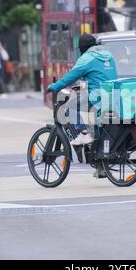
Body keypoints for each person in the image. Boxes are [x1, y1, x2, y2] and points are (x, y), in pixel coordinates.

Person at [47, 34, 118, 177]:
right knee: (96, 124)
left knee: (70, 107)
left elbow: (70, 77)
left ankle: (83, 134)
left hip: (97, 96)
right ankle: (100, 167)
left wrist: (55, 87)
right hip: (114, 96)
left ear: (83, 48)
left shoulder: (86, 58)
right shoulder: (109, 56)